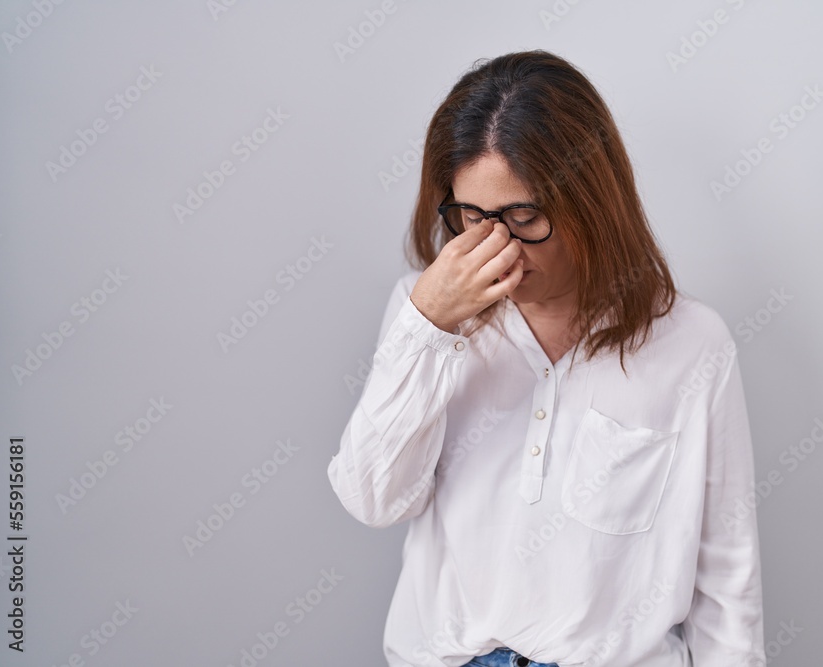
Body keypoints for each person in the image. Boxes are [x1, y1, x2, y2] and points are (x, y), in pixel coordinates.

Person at [328, 49, 766, 667]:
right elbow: (374, 499)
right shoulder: (423, 314)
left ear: (591, 202)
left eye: (524, 216)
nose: (496, 246)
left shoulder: (693, 343)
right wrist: (428, 327)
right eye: (471, 218)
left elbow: (726, 578)